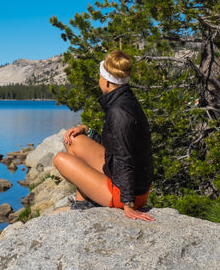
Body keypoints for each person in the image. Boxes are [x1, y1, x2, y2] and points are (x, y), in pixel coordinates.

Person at [53, 49, 155, 222]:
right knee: (74, 141)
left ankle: (84, 204)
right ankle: (83, 201)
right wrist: (88, 131)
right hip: (126, 180)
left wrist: (128, 205)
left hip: (127, 193)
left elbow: (125, 158)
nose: (98, 80)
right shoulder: (125, 100)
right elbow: (117, 145)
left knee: (59, 159)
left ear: (107, 81)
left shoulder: (119, 112)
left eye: (100, 76)